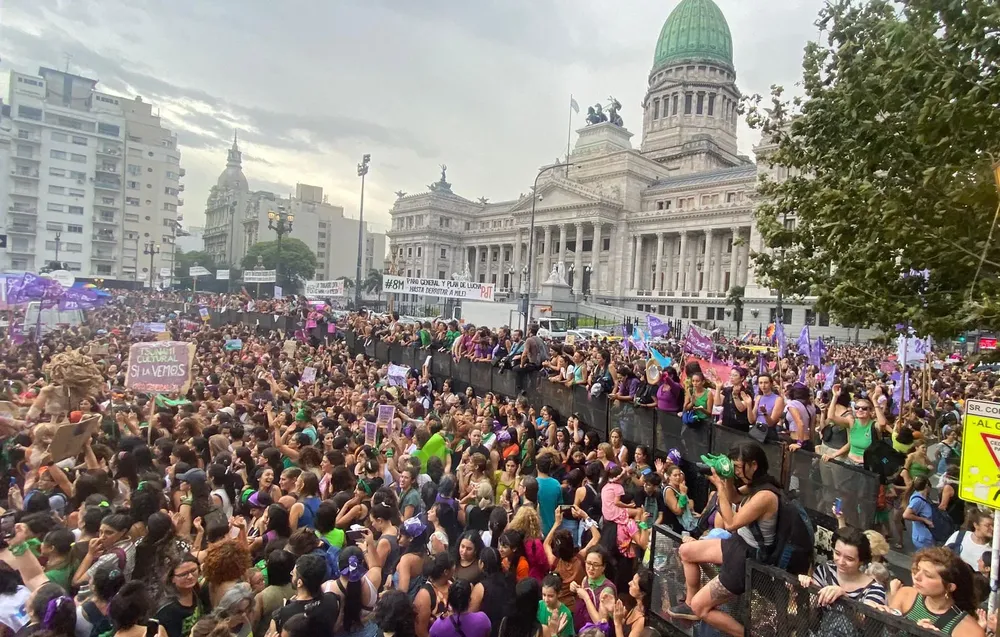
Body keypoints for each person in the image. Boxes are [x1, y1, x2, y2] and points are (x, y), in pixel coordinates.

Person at [670, 443, 783, 637]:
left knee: (701, 607)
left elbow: (731, 523)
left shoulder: (766, 495)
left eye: (738, 467)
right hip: (737, 544)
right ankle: (689, 604)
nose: (737, 472)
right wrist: (728, 480)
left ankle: (745, 635)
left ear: (753, 465)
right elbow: (736, 497)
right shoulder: (754, 487)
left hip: (748, 557)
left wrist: (720, 487)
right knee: (686, 551)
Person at [888, 547, 984, 636]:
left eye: (928, 575)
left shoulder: (969, 630)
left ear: (950, 587)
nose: (917, 577)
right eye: (918, 570)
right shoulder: (906, 595)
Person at [797, 527, 886, 606]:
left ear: (861, 561)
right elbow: (812, 604)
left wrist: (845, 598)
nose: (841, 562)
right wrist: (804, 584)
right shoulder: (824, 570)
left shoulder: (874, 589)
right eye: (837, 553)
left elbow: (867, 622)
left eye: (849, 559)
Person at [269, 554, 341, 637]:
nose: (291, 575)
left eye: (293, 573)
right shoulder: (332, 600)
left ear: (299, 583)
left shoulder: (280, 616)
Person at [153, 555, 208, 637]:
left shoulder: (196, 589)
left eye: (193, 571)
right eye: (183, 574)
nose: (190, 577)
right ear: (172, 578)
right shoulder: (167, 608)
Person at [903, 476, 937, 551]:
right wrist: (924, 519)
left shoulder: (922, 497)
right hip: (923, 538)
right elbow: (906, 515)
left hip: (926, 536)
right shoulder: (918, 500)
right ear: (927, 486)